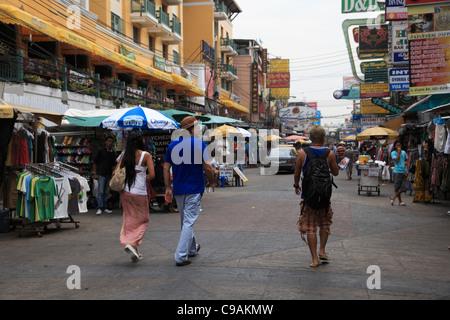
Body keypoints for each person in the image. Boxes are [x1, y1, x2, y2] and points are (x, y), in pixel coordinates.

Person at [163, 116, 215, 266]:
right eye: (197, 127)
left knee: (185, 220)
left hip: (179, 188)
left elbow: (166, 167)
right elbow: (207, 167)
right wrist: (211, 182)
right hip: (194, 188)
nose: (199, 129)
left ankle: (192, 249)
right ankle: (180, 255)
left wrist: (168, 187)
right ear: (191, 129)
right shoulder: (199, 144)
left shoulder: (172, 145)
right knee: (188, 222)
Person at [293, 125, 339, 268]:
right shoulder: (329, 153)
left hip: (308, 195)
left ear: (310, 138)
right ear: (323, 138)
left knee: (311, 227)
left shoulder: (302, 153)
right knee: (324, 223)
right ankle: (322, 250)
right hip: (324, 195)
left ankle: (314, 259)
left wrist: (296, 186)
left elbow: (296, 173)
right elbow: (336, 173)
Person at [114, 131, 155, 262]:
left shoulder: (125, 155)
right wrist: (143, 176)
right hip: (140, 192)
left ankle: (133, 248)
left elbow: (116, 171)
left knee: (129, 219)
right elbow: (152, 175)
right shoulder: (146, 155)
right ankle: (132, 243)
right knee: (143, 219)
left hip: (126, 191)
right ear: (140, 141)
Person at [93, 136, 117, 215]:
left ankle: (105, 207)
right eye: (109, 141)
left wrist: (113, 173)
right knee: (100, 191)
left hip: (108, 174)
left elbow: (113, 164)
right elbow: (95, 162)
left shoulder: (112, 153)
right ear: (106, 142)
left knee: (106, 192)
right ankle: (100, 207)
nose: (110, 143)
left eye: (111, 141)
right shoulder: (101, 151)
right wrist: (95, 173)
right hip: (101, 173)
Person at [390, 140, 408, 206]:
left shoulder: (404, 152)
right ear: (395, 146)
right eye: (397, 145)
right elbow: (397, 160)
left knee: (405, 186)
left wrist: (406, 170)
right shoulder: (393, 153)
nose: (398, 147)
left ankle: (393, 197)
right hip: (397, 172)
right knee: (397, 188)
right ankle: (400, 201)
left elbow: (405, 161)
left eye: (399, 145)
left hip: (403, 171)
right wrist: (398, 153)